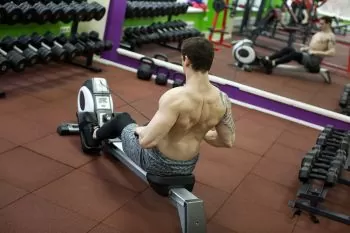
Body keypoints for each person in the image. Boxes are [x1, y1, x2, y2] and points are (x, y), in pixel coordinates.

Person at [79, 37, 236, 176]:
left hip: (157, 164)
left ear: (186, 60)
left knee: (122, 119)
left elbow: (146, 142)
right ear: (210, 61)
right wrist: (201, 132)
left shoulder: (176, 97)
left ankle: (93, 137)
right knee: (153, 126)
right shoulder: (223, 99)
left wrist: (139, 130)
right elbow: (227, 141)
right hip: (188, 166)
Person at [261, 15, 336, 75]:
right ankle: (269, 58)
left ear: (328, 24)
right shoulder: (319, 33)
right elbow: (314, 46)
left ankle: (273, 64)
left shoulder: (330, 36)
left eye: (322, 24)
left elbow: (332, 52)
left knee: (294, 54)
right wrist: (306, 48)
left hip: (313, 62)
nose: (319, 25)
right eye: (319, 23)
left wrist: (315, 52)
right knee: (289, 49)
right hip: (308, 55)